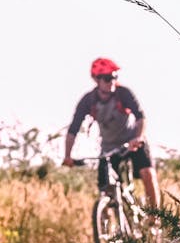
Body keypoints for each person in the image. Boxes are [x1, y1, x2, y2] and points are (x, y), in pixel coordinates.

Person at [62, 57, 160, 212]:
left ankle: (155, 217)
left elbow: (141, 117)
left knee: (147, 173)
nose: (112, 81)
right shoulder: (88, 101)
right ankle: (106, 228)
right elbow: (72, 130)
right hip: (109, 147)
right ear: (96, 80)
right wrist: (67, 156)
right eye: (108, 78)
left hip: (132, 141)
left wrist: (138, 137)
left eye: (115, 77)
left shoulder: (123, 93)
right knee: (105, 189)